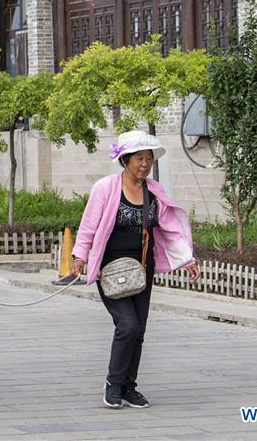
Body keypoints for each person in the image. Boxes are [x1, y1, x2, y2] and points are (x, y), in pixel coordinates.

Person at [69, 130, 200, 409]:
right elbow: (89, 226)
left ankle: (129, 387)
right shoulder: (105, 188)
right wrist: (80, 256)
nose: (144, 164)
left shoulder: (153, 191)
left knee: (138, 329)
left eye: (149, 158)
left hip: (142, 268)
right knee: (127, 326)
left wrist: (187, 259)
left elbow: (169, 228)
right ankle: (113, 384)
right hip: (111, 270)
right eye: (139, 158)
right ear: (125, 160)